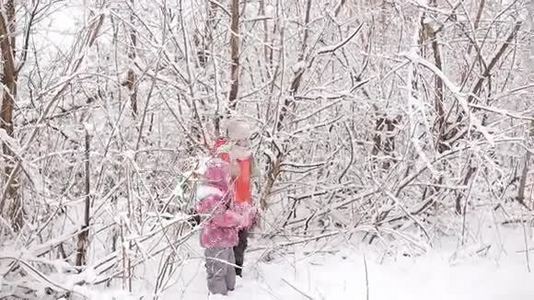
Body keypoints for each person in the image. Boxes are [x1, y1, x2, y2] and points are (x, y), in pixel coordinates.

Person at [213, 119, 257, 277]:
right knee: (227, 244)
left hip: (244, 206)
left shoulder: (248, 156)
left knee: (241, 243)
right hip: (228, 207)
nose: (245, 143)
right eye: (241, 139)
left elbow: (251, 177)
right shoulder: (224, 153)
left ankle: (237, 275)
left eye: (247, 139)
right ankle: (226, 277)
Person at [196, 158, 244, 296]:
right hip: (216, 240)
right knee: (218, 272)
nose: (228, 175)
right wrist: (237, 218)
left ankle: (230, 293)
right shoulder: (210, 194)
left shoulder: (221, 191)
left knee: (227, 269)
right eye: (225, 172)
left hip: (224, 239)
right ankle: (220, 295)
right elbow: (219, 217)